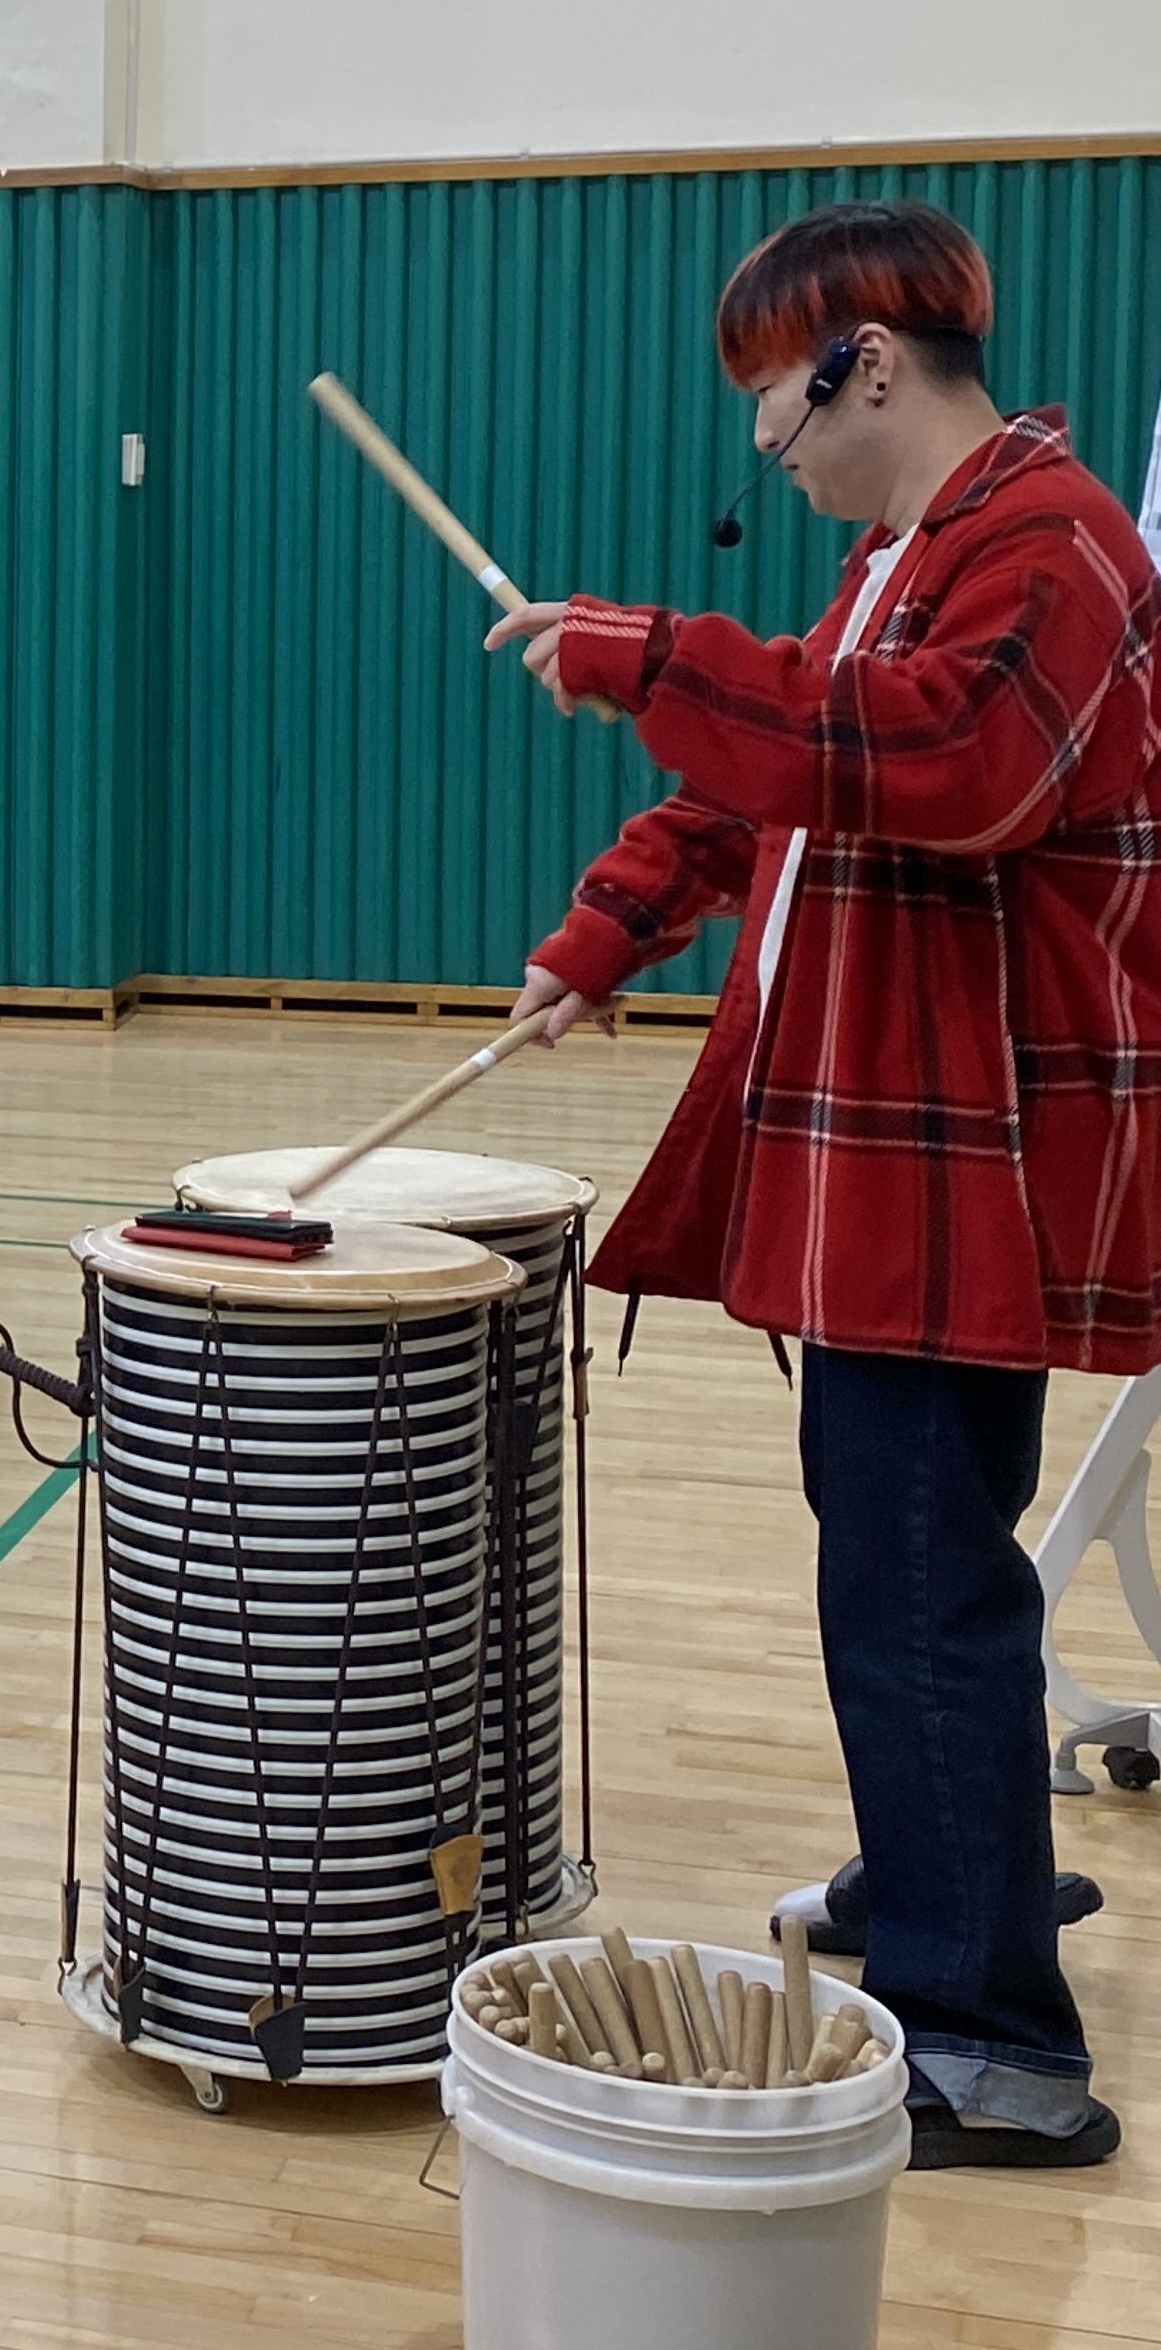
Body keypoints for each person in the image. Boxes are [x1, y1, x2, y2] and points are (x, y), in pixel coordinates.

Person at [493, 198, 1155, 2172]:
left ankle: (992, 2043)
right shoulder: (907, 555)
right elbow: (763, 769)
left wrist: (646, 653)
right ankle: (948, 1875)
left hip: (968, 1145)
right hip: (886, 1133)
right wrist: (607, 928)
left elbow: (948, 765)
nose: (760, 448)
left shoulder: (1052, 544)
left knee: (916, 1575)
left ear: (860, 365)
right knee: (897, 1549)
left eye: (770, 402)